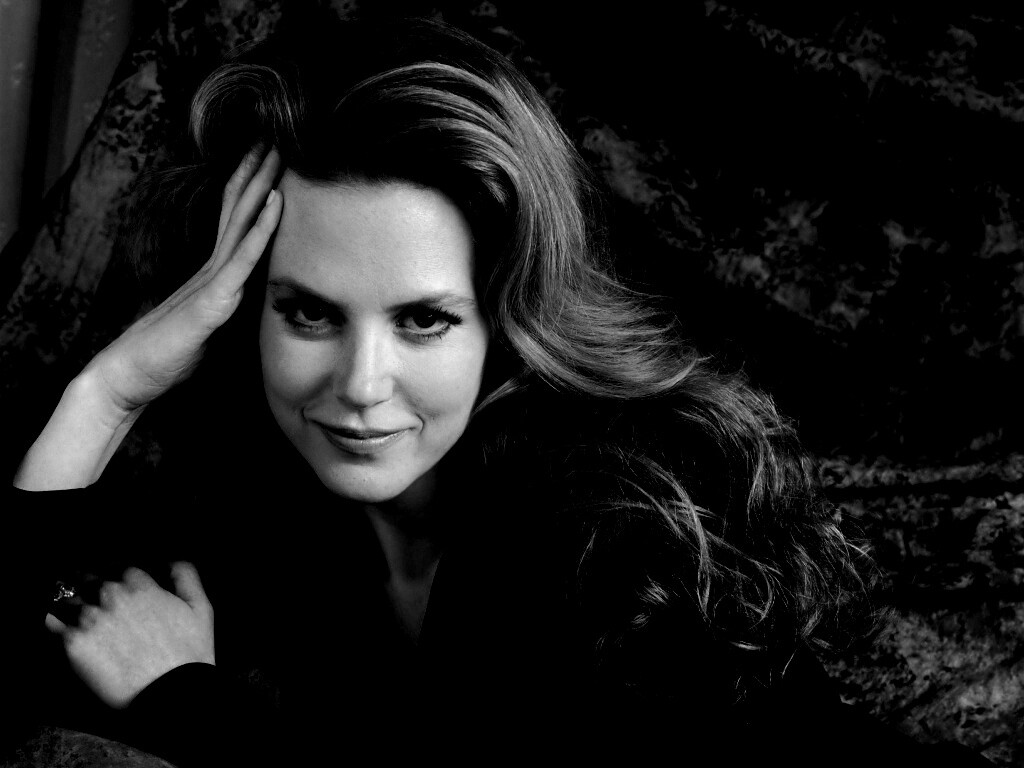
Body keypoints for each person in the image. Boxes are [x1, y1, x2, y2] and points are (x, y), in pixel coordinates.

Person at [4, 13, 993, 768]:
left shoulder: (599, 524)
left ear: (505, 321)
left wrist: (184, 696)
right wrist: (110, 391)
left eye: (423, 320)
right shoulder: (293, 496)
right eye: (308, 312)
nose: (359, 386)